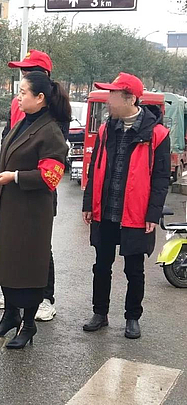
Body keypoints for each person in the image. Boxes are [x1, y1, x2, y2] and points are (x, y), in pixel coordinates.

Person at [82, 72, 170, 339]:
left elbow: (161, 178)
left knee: (134, 269)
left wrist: (153, 213)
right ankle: (100, 313)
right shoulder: (107, 130)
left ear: (130, 99)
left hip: (136, 212)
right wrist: (88, 202)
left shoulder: (157, 134)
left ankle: (132, 317)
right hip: (106, 209)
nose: (108, 101)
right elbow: (94, 168)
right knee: (101, 265)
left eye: (113, 96)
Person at [0, 72, 69, 349]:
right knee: (7, 261)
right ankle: (11, 315)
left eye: (23, 92)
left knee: (29, 267)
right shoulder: (23, 123)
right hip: (10, 206)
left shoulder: (51, 131)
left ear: (40, 97)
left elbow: (51, 176)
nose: (18, 97)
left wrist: (16, 177)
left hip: (32, 213)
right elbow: (6, 162)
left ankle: (29, 323)